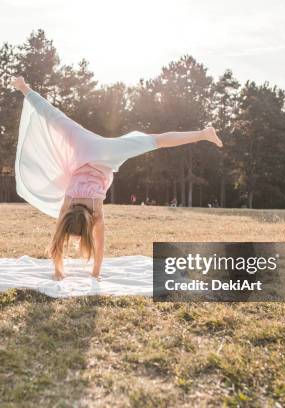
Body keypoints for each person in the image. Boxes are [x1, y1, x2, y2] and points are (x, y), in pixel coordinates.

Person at [12, 76, 222, 280]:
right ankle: (204, 133)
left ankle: (204, 133)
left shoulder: (95, 213)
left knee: (153, 141)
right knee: (56, 118)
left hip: (102, 154)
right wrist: (24, 88)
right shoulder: (68, 204)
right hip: (88, 149)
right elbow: (49, 113)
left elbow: (97, 245)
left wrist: (91, 273)